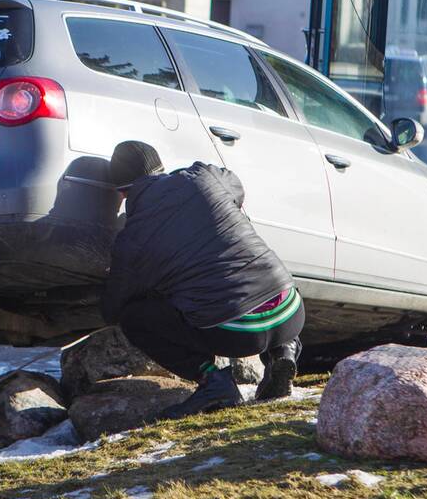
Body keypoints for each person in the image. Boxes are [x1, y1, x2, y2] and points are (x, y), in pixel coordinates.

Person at [101, 141, 304, 418]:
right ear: (161, 168)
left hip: (236, 333)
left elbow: (113, 308)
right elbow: (237, 187)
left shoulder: (134, 236)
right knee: (258, 273)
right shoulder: (204, 176)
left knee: (134, 317)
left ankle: (214, 382)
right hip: (291, 312)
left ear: (122, 192)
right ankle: (284, 354)